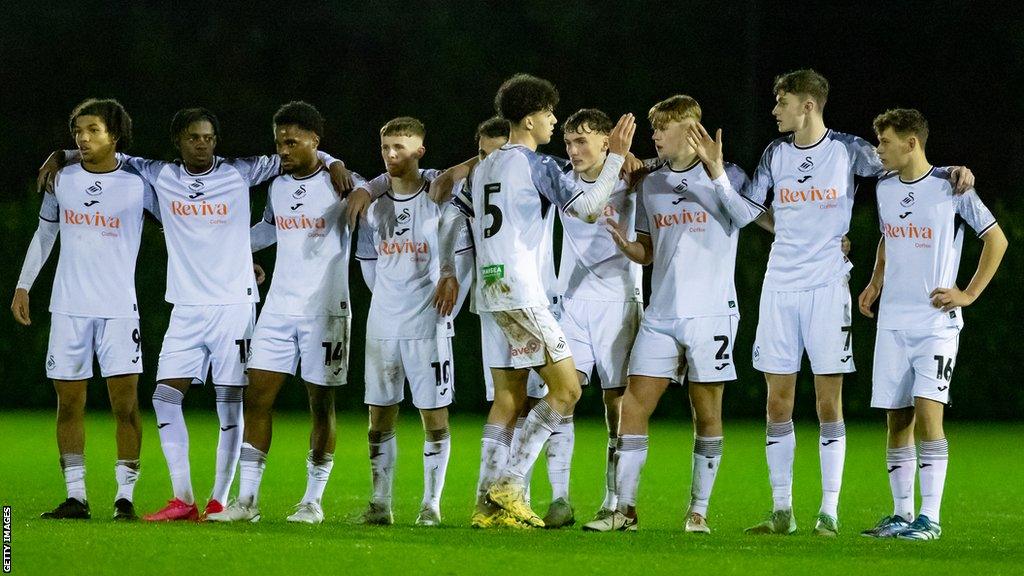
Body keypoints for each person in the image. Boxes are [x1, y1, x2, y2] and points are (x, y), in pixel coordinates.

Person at [453, 73, 636, 528]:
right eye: (551, 114)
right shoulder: (536, 164)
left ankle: (484, 506)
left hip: (489, 291)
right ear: (532, 119)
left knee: (508, 397)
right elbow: (589, 206)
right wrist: (612, 156)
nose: (554, 122)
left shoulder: (484, 167)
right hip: (521, 291)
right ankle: (510, 485)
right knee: (568, 389)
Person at [206, 101, 364, 524]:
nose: (283, 151)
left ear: (316, 140)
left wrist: (336, 163)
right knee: (256, 397)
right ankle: (248, 502)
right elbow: (268, 231)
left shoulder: (344, 183)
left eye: (292, 142)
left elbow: (379, 192)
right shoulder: (276, 186)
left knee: (320, 404)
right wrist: (226, 248)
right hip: (277, 309)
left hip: (327, 310)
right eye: (278, 143)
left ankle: (312, 501)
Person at [858, 108, 1006, 540]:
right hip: (893, 323)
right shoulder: (885, 187)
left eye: (884, 142)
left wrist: (968, 294)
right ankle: (902, 515)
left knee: (928, 414)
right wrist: (875, 280)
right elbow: (889, 235)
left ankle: (931, 518)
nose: (878, 150)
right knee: (896, 418)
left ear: (911, 143)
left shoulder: (951, 187)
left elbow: (996, 239)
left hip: (935, 323)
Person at [13, 98, 159, 521]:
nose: (83, 137)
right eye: (78, 131)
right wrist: (24, 286)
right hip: (68, 308)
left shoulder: (139, 183)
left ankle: (125, 498)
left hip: (118, 310)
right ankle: (76, 497)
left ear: (115, 135)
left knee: (125, 405)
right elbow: (44, 236)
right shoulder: (63, 179)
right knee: (69, 404)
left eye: (94, 130)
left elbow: (182, 226)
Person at [353, 116, 463, 526]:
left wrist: (447, 283)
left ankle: (430, 504)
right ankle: (380, 503)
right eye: (386, 148)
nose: (391, 155)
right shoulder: (373, 205)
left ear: (420, 150)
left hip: (427, 324)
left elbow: (458, 245)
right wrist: (388, 298)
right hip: (382, 324)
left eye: (400, 147)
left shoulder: (439, 196)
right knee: (378, 416)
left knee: (434, 417)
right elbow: (368, 265)